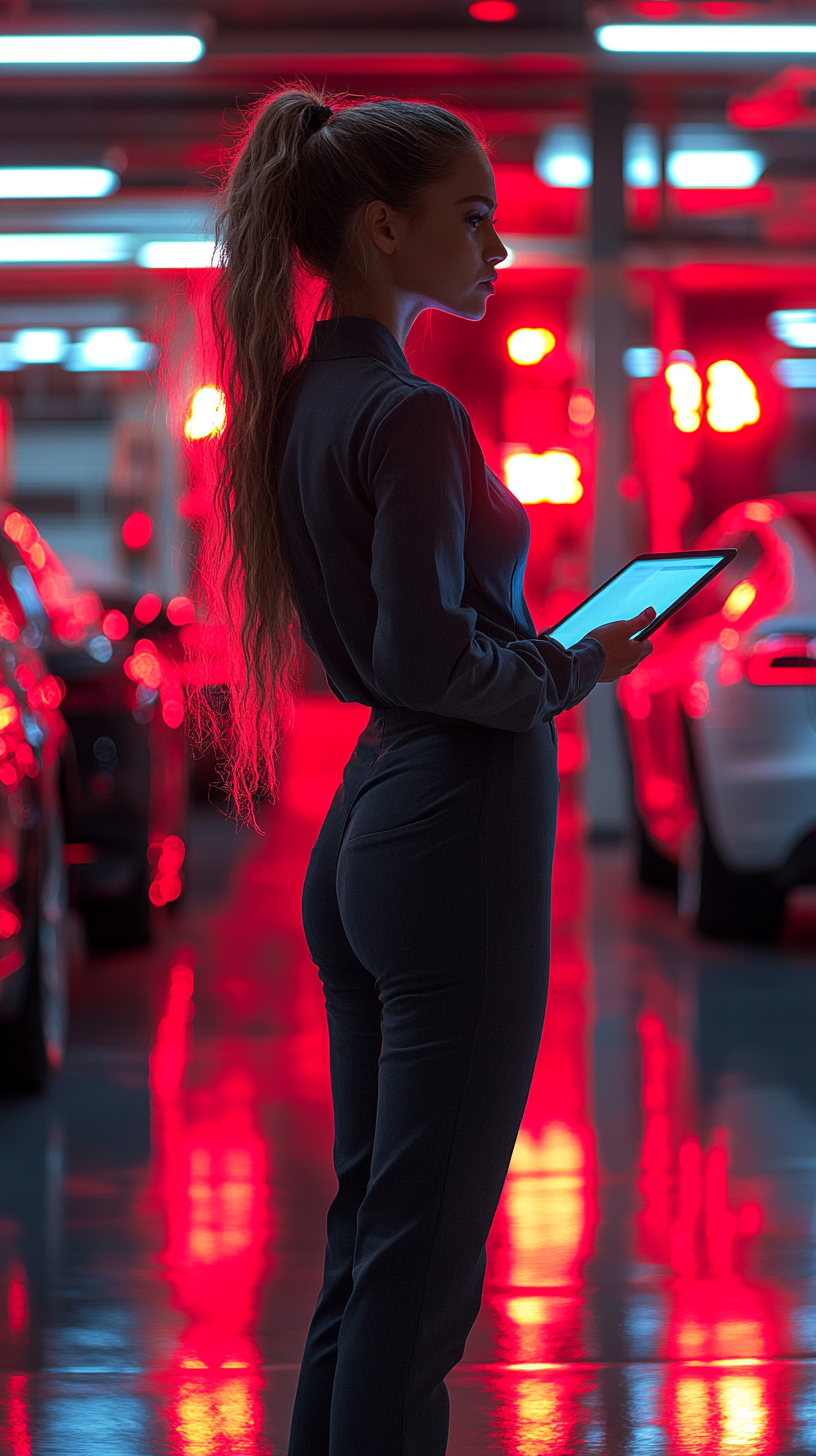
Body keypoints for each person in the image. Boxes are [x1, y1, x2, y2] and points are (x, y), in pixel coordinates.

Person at [204, 85, 653, 1456]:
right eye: (475, 220)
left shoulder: (295, 403)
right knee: (424, 1261)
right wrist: (574, 666)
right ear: (385, 229)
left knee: (372, 1239)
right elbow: (428, 660)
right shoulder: (408, 416)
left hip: (372, 831)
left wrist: (521, 658)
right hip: (451, 825)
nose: (499, 250)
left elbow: (397, 657)